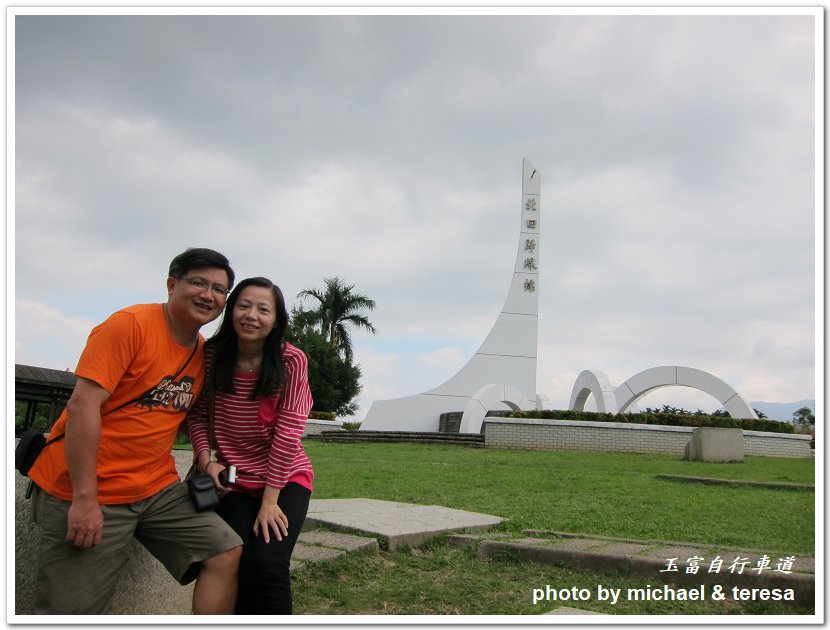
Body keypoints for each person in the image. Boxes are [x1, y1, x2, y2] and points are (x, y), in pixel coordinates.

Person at [28, 247, 244, 615]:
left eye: (219, 290)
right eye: (198, 283)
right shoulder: (130, 325)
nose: (209, 295)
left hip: (155, 488)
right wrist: (84, 500)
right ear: (172, 285)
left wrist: (207, 462)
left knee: (224, 550)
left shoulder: (203, 353)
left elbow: (196, 418)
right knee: (73, 612)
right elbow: (82, 406)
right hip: (89, 488)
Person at [187, 276, 314, 615]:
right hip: (234, 480)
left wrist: (270, 502)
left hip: (285, 479)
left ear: (276, 320)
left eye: (263, 309)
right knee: (234, 559)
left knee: (268, 564)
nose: (251, 315)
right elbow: (197, 415)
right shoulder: (212, 355)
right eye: (243, 306)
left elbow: (289, 435)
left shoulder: (291, 360)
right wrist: (205, 460)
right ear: (231, 311)